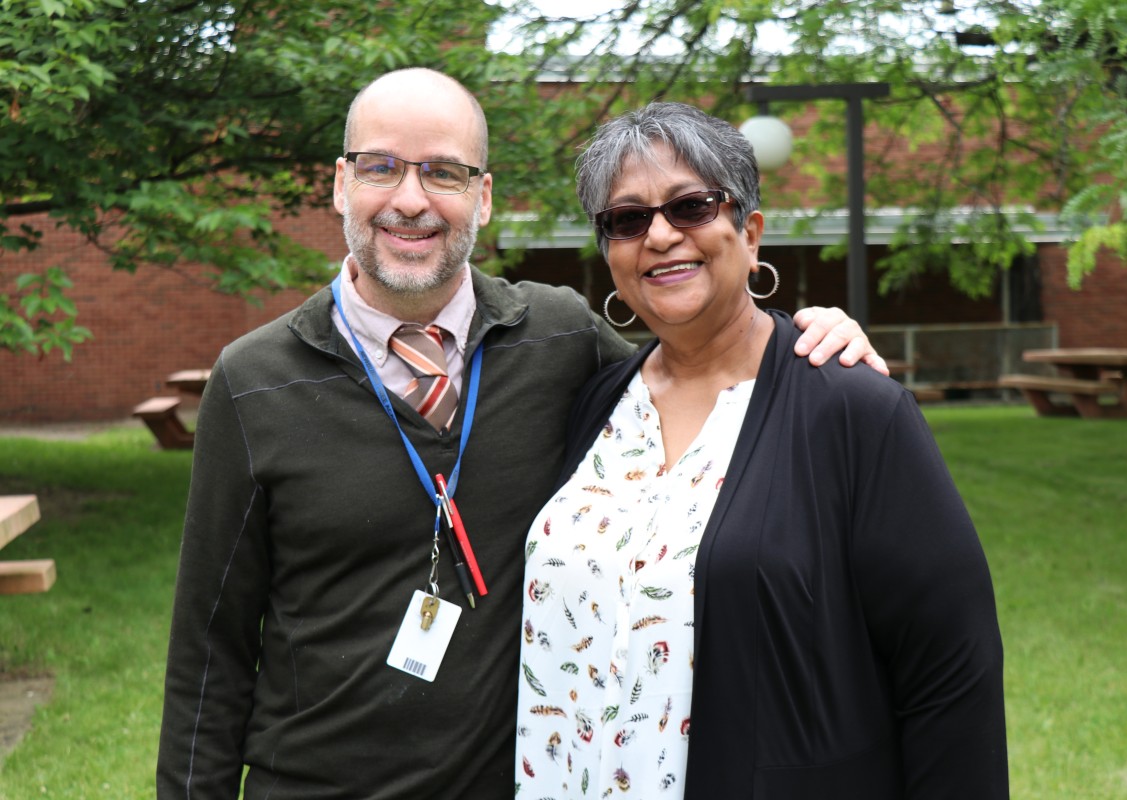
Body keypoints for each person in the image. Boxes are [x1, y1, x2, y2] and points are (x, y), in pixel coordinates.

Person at [155, 69, 883, 799]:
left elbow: (697, 359)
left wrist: (806, 341)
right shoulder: (254, 381)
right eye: (382, 167)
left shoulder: (559, 337)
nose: (411, 200)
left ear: (484, 196)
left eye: (444, 172)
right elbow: (209, 648)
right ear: (342, 185)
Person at [513, 102, 1008, 799]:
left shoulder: (851, 408)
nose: (658, 235)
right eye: (627, 219)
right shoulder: (597, 403)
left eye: (690, 207)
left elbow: (952, 671)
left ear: (749, 234)